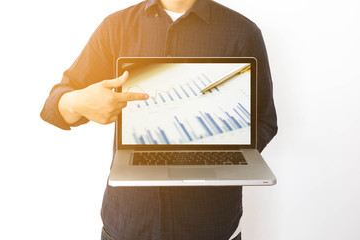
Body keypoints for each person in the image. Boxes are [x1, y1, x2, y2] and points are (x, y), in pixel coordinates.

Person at [40, 0, 278, 239]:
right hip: (128, 225)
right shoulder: (115, 27)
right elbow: (53, 106)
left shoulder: (243, 32)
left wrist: (224, 147)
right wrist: (76, 102)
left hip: (211, 226)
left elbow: (265, 121)